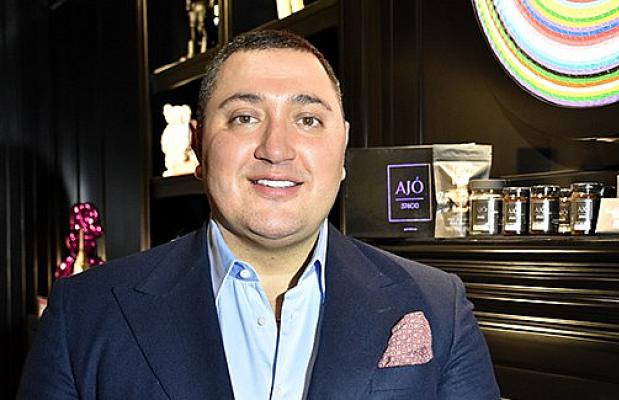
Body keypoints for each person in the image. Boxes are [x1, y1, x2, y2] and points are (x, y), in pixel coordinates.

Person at [17, 30, 500, 399]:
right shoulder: (84, 313)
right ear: (198, 147)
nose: (276, 148)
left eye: (308, 120)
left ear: (343, 147)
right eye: (245, 118)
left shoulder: (438, 304)